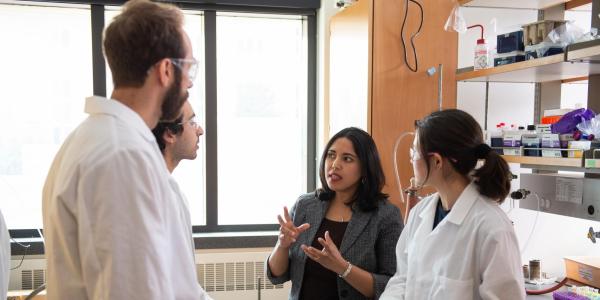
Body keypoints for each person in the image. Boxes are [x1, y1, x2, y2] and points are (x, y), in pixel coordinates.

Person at [42, 0, 207, 298]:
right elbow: (134, 290)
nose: (189, 86)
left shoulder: (88, 139)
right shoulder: (124, 155)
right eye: (189, 69)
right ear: (166, 70)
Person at [380, 109, 525, 300]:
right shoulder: (420, 213)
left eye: (414, 151)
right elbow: (402, 279)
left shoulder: (492, 227)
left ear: (437, 161)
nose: (411, 158)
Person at [267, 127, 402, 300]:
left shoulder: (385, 215)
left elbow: (391, 287)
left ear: (365, 167)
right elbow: (276, 275)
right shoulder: (305, 205)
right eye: (331, 155)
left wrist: (343, 268)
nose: (335, 164)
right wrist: (282, 245)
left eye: (347, 159)